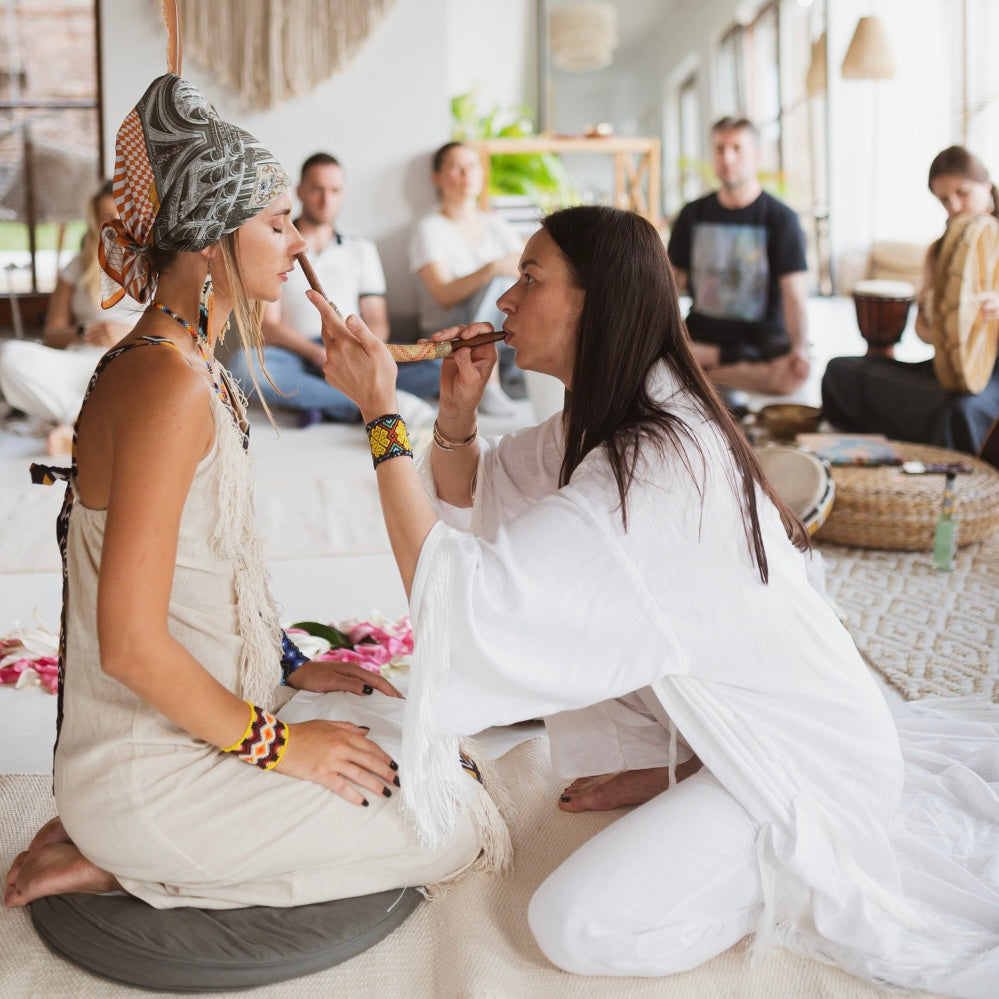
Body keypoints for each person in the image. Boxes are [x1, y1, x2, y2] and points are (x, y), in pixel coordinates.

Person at [313, 205, 998, 996]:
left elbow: (464, 604)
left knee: (574, 923)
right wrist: (456, 416)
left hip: (808, 766)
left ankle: (784, 867)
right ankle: (694, 768)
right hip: (772, 725)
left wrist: (380, 416)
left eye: (529, 279)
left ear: (592, 301)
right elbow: (478, 488)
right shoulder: (623, 407)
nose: (503, 300)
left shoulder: (654, 468)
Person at [3, 74, 503, 912]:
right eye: (277, 223)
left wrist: (292, 669)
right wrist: (282, 746)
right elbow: (126, 643)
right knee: (450, 815)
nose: (301, 243)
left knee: (427, 736)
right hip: (150, 775)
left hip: (202, 720)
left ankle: (152, 847)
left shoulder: (192, 367)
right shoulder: (167, 383)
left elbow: (211, 574)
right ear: (208, 242)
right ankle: (136, 860)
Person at [228, 152, 440, 428]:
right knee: (243, 366)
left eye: (334, 191)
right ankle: (371, 403)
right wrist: (318, 354)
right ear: (301, 191)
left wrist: (358, 352)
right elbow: (268, 326)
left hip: (352, 347)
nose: (326, 200)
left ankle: (321, 402)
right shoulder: (279, 245)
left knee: (441, 366)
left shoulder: (361, 248)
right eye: (317, 189)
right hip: (296, 354)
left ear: (343, 194)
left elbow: (376, 320)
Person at [822, 146, 999, 454]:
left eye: (963, 192)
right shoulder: (938, 250)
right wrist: (946, 322)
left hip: (990, 382)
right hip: (949, 371)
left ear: (986, 185)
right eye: (944, 199)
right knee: (840, 371)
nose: (955, 205)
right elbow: (922, 332)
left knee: (961, 411)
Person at [667, 116, 810, 399]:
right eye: (720, 149)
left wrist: (801, 347)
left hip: (760, 338)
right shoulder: (692, 214)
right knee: (650, 354)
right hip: (703, 331)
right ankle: (705, 365)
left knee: (789, 376)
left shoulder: (781, 218)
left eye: (736, 148)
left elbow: (794, 294)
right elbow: (671, 282)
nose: (727, 157)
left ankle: (697, 371)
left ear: (756, 156)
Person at [0, 180, 142, 455]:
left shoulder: (158, 265)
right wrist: (83, 331)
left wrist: (127, 335)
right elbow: (52, 335)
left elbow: (179, 327)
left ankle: (78, 426)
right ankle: (81, 423)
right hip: (80, 363)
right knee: (10, 356)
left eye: (121, 212)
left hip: (131, 359)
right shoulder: (76, 266)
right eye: (104, 215)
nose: (113, 221)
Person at [409, 140, 525, 415]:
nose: (467, 174)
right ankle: (490, 385)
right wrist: (492, 267)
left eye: (472, 166)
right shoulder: (430, 228)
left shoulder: (497, 225)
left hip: (498, 328)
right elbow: (444, 294)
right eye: (456, 167)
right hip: (449, 330)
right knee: (498, 282)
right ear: (436, 177)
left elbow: (526, 269)